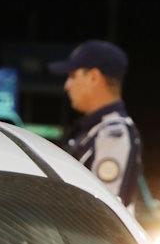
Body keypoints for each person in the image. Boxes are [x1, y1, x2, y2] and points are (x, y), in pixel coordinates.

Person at [50, 40, 142, 208]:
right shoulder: (93, 130)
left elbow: (101, 212)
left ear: (93, 77)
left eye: (72, 76)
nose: (67, 85)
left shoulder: (113, 134)